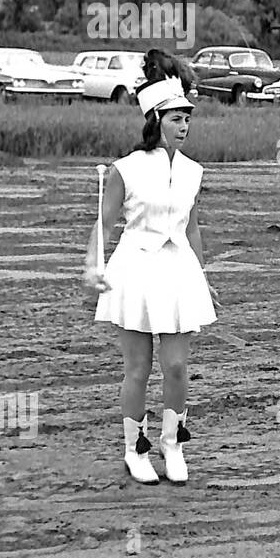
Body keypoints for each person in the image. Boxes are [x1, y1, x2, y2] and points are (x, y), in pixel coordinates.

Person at [84, 50, 217, 485]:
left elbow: (192, 227)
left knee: (177, 367)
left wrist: (203, 274)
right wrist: (91, 264)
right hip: (134, 272)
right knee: (137, 368)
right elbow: (104, 224)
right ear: (156, 119)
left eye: (188, 119)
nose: (185, 126)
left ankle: (171, 441)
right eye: (177, 118)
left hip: (178, 272)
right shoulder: (125, 169)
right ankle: (134, 448)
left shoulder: (195, 171)